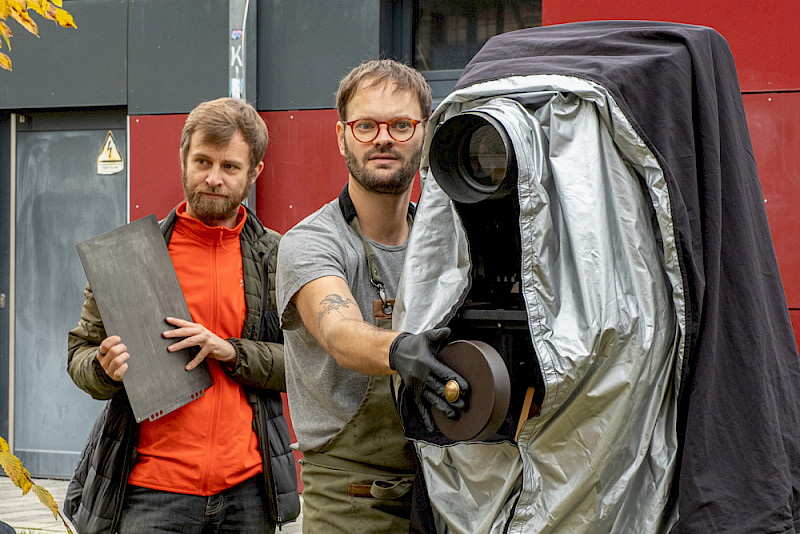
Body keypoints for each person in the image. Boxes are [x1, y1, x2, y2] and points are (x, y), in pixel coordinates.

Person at [65, 97, 299, 533]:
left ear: (255, 172)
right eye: (202, 162)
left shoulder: (280, 257)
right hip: (150, 492)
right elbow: (79, 353)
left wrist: (229, 351)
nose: (213, 178)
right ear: (183, 160)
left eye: (230, 167)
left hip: (247, 492)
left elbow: (306, 366)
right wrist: (103, 368)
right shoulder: (130, 257)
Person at [276, 59, 467, 533]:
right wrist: (401, 350)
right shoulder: (312, 242)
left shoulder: (452, 243)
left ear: (424, 134)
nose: (384, 138)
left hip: (449, 487)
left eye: (401, 125)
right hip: (351, 498)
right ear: (341, 136)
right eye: (366, 126)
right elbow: (339, 332)